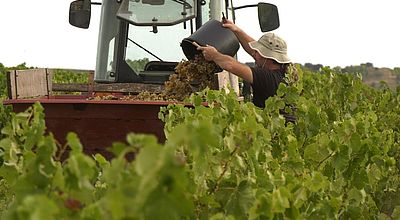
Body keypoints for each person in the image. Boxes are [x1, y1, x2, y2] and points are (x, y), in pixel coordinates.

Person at [195, 19, 297, 122]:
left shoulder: (268, 78)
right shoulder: (285, 70)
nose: (254, 54)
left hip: (275, 131)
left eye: (258, 52)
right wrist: (236, 30)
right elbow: (253, 49)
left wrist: (214, 55)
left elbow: (231, 65)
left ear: (268, 57)